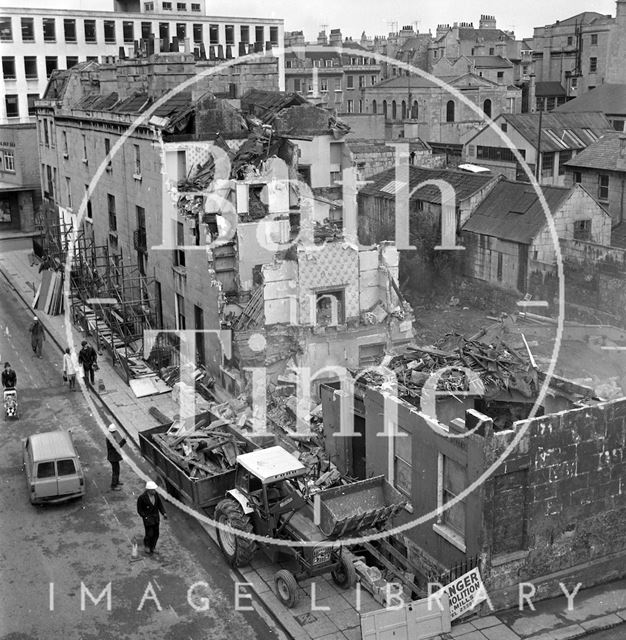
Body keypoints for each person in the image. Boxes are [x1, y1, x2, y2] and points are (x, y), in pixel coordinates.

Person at [137, 480, 167, 555]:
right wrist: (145, 517)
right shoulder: (142, 498)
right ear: (149, 490)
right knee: (149, 533)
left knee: (156, 533)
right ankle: (147, 545)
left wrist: (163, 513)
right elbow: (139, 509)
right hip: (148, 519)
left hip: (155, 518)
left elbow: (160, 505)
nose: (154, 491)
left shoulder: (156, 495)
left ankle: (153, 547)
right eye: (153, 490)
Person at [106, 424, 126, 490]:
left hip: (113, 457)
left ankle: (116, 481)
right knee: (115, 471)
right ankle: (113, 486)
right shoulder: (111, 438)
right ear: (114, 431)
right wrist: (124, 440)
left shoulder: (110, 436)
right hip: (113, 458)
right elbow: (117, 446)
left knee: (117, 470)